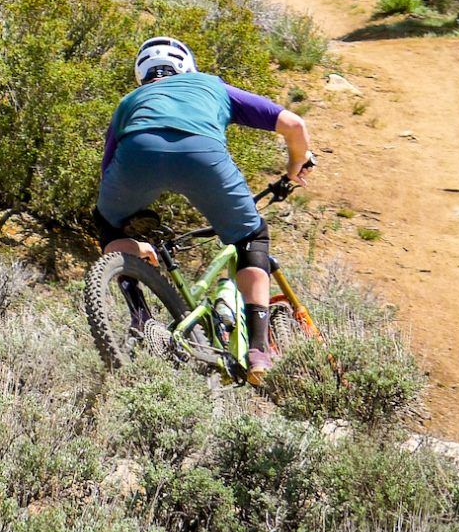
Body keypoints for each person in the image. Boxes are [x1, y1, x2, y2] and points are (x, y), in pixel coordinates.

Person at [96, 35, 313, 381]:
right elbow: (294, 125)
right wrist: (295, 167)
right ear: (187, 66)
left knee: (107, 226)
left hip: (136, 156)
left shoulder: (130, 101)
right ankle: (258, 353)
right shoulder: (210, 85)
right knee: (251, 239)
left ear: (143, 75)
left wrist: (122, 215)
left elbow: (107, 170)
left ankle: (139, 314)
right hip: (203, 157)